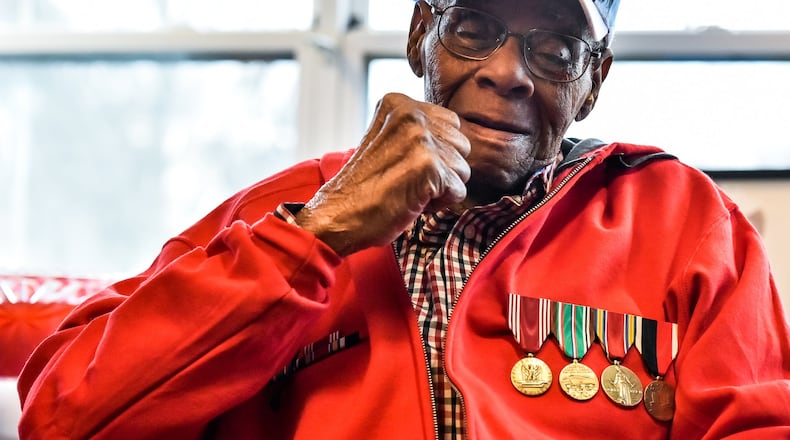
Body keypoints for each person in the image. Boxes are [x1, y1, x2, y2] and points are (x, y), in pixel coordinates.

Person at [16, 0, 790, 438]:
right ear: (422, 33)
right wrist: (315, 236)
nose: (506, 72)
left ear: (593, 84)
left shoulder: (684, 219)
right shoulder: (287, 206)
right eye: (473, 28)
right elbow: (65, 416)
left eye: (556, 48)